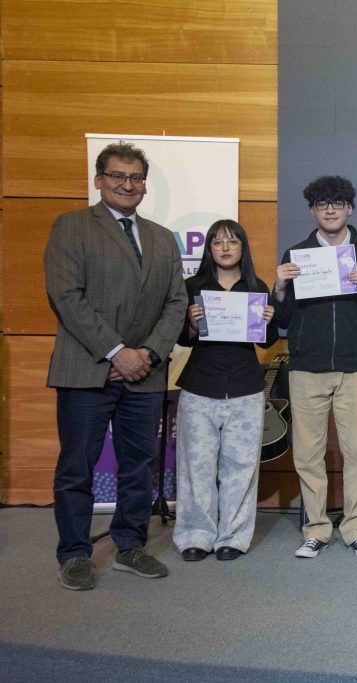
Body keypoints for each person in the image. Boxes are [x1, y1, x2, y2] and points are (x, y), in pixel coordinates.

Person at [44, 141, 187, 590]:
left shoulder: (162, 237)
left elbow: (176, 303)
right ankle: (74, 554)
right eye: (118, 175)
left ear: (145, 184)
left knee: (139, 467)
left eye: (136, 177)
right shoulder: (71, 226)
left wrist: (147, 354)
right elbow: (66, 296)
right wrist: (116, 352)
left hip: (145, 373)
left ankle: (130, 545)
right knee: (77, 468)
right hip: (87, 370)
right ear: (99, 179)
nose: (128, 184)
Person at [273, 176, 357, 559]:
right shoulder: (296, 254)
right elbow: (283, 319)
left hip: (354, 366)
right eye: (322, 204)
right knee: (308, 454)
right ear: (312, 210)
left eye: (338, 203)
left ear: (349, 208)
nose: (331, 210)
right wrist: (279, 289)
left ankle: (356, 529)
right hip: (307, 365)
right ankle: (316, 529)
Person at [173, 220, 278, 562]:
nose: (225, 248)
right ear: (209, 249)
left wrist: (268, 319)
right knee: (196, 468)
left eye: (232, 242)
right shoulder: (193, 286)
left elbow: (267, 341)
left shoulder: (256, 286)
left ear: (243, 248)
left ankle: (232, 536)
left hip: (245, 387)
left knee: (241, 467)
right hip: (200, 387)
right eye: (217, 242)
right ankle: (195, 535)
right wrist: (191, 323)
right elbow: (182, 338)